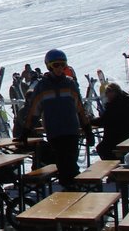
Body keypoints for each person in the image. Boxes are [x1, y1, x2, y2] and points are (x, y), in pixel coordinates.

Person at [16, 49, 92, 187]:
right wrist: (26, 132)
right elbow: (34, 112)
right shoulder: (42, 86)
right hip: (55, 132)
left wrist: (87, 129)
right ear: (49, 66)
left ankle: (74, 195)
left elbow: (80, 109)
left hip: (71, 130)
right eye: (56, 65)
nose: (60, 68)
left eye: (63, 65)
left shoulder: (69, 84)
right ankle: (71, 195)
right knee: (64, 166)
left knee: (71, 165)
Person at [89, 83, 129, 161]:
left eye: (107, 92)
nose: (106, 95)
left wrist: (87, 121)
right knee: (104, 146)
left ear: (114, 92)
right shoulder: (125, 101)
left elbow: (104, 120)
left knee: (103, 148)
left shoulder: (116, 104)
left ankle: (115, 168)